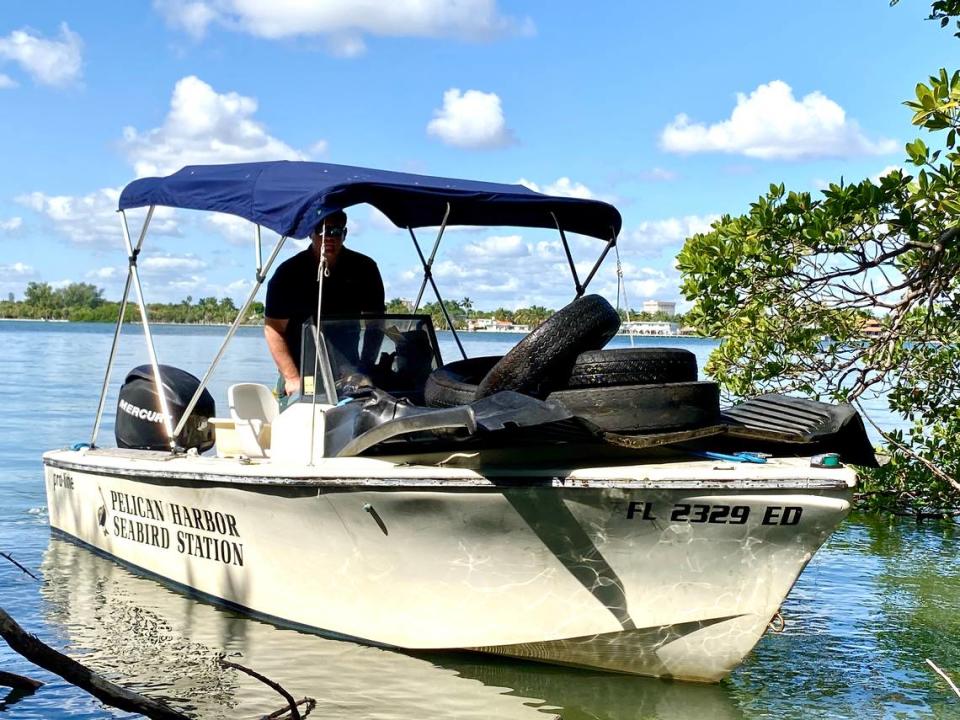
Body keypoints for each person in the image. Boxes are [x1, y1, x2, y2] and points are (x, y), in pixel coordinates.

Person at [264, 210, 385, 400]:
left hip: (347, 373)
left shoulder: (365, 269)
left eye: (336, 232)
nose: (329, 237)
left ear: (344, 235)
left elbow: (375, 325)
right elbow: (274, 330)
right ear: (310, 233)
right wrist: (292, 377)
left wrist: (364, 369)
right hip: (302, 372)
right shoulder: (288, 274)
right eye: (322, 230)